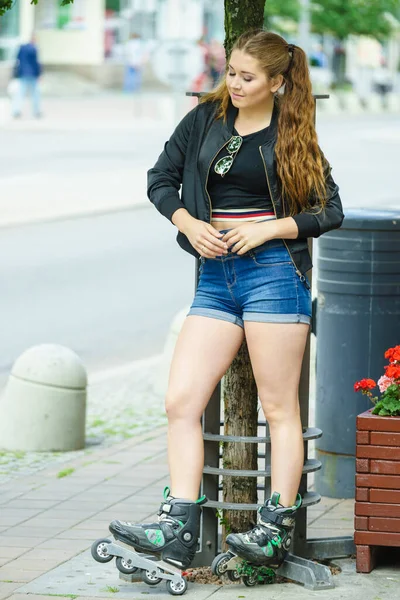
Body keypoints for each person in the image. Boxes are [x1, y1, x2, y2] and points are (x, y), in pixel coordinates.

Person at [109, 30, 343, 572]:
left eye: (246, 77)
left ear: (276, 82)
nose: (233, 84)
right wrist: (189, 223)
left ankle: (273, 530)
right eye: (230, 71)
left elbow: (330, 209)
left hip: (274, 275)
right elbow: (160, 179)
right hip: (215, 277)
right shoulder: (205, 120)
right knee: (181, 402)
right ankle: (176, 528)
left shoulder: (292, 131)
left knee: (280, 408)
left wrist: (268, 230)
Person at [12, 36, 42, 119]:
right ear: (34, 40)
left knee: (20, 93)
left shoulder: (22, 48)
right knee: (35, 93)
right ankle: (36, 111)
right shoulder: (34, 49)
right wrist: (39, 74)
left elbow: (17, 60)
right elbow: (36, 63)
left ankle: (16, 110)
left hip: (23, 74)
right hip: (32, 74)